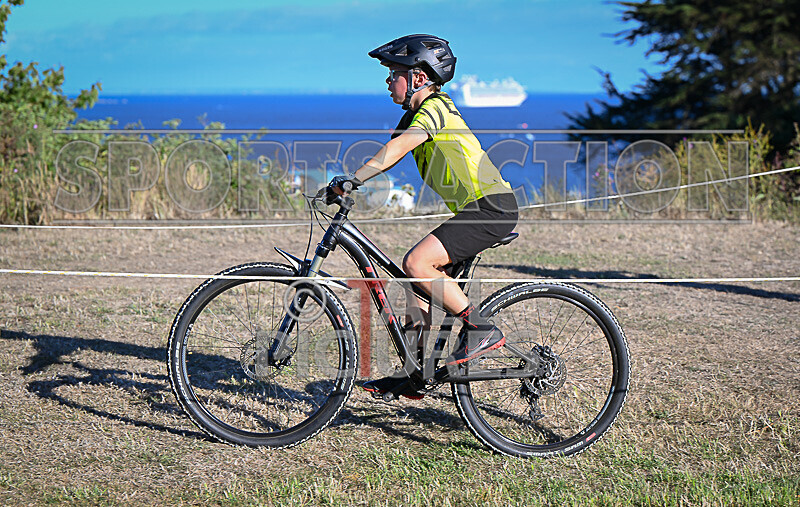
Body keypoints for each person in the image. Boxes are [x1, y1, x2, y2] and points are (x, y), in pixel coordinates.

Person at [330, 34, 519, 398]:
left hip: (492, 207)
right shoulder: (414, 116)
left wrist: (352, 180)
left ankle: (481, 329)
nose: (388, 81)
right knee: (416, 287)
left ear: (418, 77)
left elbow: (398, 147)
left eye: (394, 73)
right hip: (477, 209)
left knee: (416, 263)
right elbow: (392, 152)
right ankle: (415, 374)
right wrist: (345, 185)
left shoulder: (436, 107)